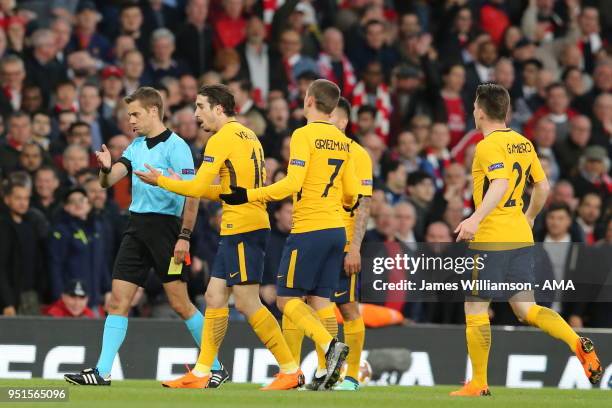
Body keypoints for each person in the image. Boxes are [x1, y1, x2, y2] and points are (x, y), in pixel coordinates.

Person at [135, 84, 303, 390]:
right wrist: (175, 183)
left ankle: (290, 368)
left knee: (248, 304)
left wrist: (162, 181)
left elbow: (198, 189)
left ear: (219, 109)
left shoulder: (220, 138)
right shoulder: (248, 135)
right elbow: (225, 192)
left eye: (201, 107)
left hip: (243, 228)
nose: (196, 114)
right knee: (214, 297)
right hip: (243, 223)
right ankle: (202, 372)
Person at [63, 87, 225, 387]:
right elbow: (109, 181)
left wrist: (185, 236)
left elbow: (193, 195)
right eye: (128, 116)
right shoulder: (135, 146)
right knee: (119, 301)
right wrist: (105, 168)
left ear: (154, 111)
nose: (131, 121)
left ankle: (214, 366)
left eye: (135, 114)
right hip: (136, 228)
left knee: (181, 303)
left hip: (167, 231)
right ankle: (101, 372)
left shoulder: (176, 147)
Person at [451, 83, 602, 396]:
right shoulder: (523, 143)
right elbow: (543, 187)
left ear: (480, 110)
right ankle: (576, 342)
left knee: (476, 309)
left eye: (475, 107)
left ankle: (478, 382)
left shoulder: (487, 145)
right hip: (520, 236)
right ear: (505, 111)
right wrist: (530, 218)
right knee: (527, 309)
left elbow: (501, 183)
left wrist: (475, 218)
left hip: (491, 238)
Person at [220, 79, 358, 391]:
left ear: (309, 100)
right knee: (322, 300)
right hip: (336, 228)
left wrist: (250, 195)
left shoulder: (303, 134)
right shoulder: (342, 140)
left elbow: (292, 183)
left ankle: (329, 346)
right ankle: (326, 373)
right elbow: (351, 193)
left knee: (286, 299)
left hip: (309, 228)